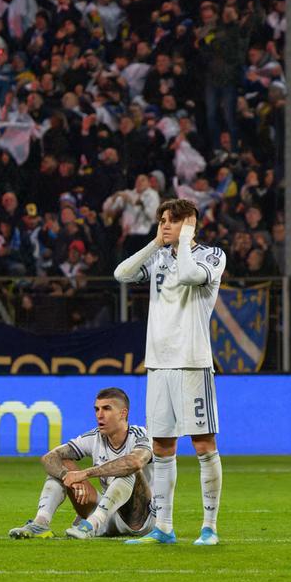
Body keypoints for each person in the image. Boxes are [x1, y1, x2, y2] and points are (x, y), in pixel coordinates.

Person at [113, 199, 225, 546]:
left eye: (172, 221)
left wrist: (186, 239)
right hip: (158, 362)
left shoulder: (212, 256)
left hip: (192, 362)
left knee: (203, 443)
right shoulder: (159, 257)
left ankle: (209, 527)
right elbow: (122, 273)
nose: (164, 225)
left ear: (189, 224)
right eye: (162, 220)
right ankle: (163, 527)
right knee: (162, 445)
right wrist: (155, 243)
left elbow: (190, 275)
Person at [8, 388, 154, 539]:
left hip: (140, 520)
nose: (99, 415)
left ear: (123, 413)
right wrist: (67, 476)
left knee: (128, 469)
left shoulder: (141, 435)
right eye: (97, 409)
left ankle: (90, 525)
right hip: (108, 517)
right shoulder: (94, 437)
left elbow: (135, 462)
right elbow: (49, 457)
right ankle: (40, 523)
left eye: (106, 409)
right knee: (61, 465)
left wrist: (84, 474)